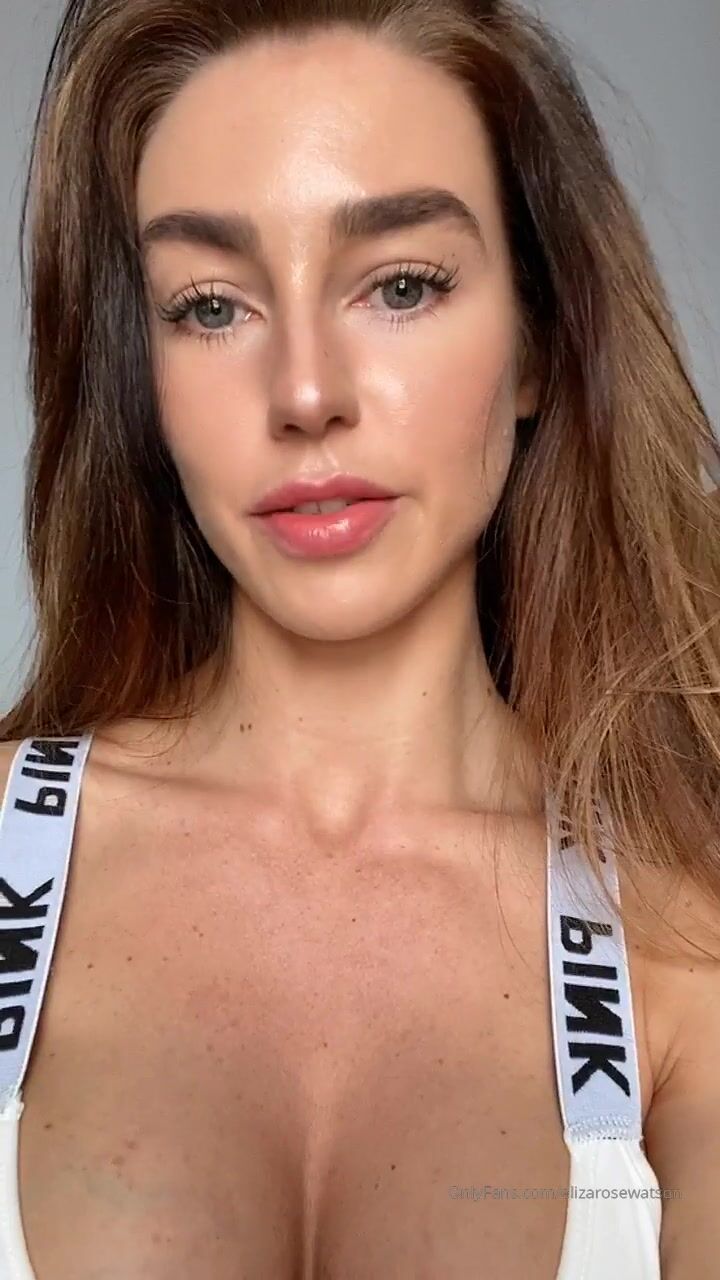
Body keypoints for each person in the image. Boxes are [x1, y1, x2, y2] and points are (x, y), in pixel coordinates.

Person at [0, 0, 718, 1276]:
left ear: (539, 341)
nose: (306, 393)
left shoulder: (689, 962)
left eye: (400, 285)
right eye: (210, 306)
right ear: (143, 376)